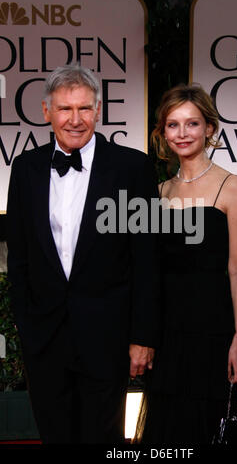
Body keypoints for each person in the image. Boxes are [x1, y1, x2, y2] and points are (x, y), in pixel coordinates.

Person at [6, 64, 160, 444]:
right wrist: (27, 327)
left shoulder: (133, 168)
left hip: (106, 337)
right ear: (46, 112)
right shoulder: (25, 169)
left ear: (99, 110)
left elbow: (147, 259)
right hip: (45, 338)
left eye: (84, 109)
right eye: (64, 109)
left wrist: (142, 336)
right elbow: (20, 257)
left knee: (103, 438)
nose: (75, 120)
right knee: (54, 435)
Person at [135, 83, 237, 444]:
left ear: (209, 129)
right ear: (162, 133)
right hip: (168, 333)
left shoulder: (230, 186)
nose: (182, 133)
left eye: (192, 124)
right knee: (168, 431)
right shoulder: (158, 192)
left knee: (209, 425)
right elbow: (149, 270)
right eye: (173, 125)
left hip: (213, 329)